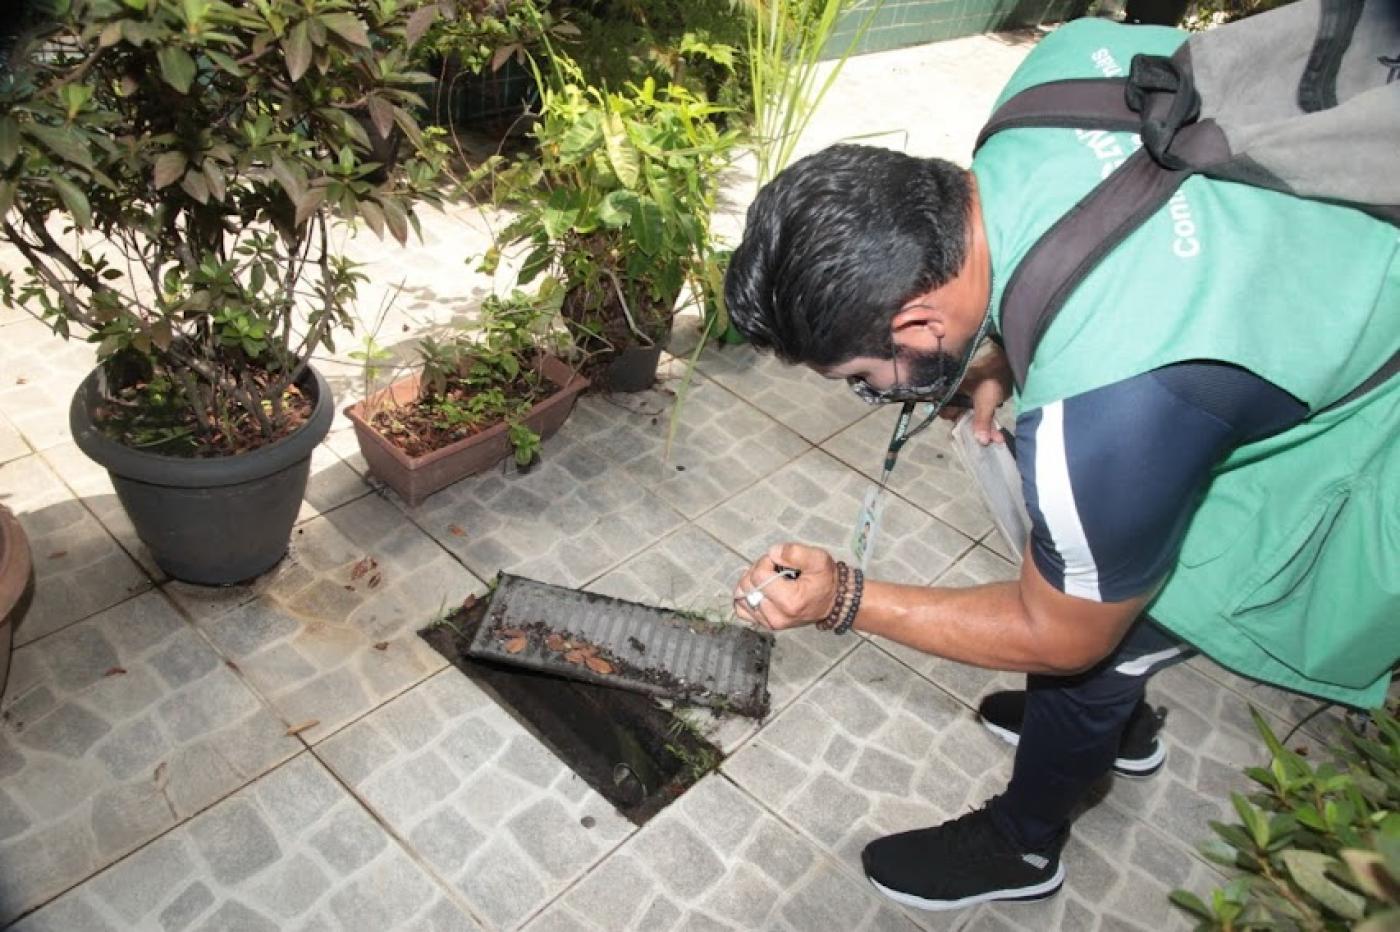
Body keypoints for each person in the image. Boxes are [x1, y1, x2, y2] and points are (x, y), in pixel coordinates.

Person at [723, 17, 1400, 913]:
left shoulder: (1108, 420)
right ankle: (1104, 733)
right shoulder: (1055, 74)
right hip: (1312, 284)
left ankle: (1025, 844)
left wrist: (846, 595)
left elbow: (1061, 630)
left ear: (920, 326)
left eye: (864, 379)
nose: (878, 394)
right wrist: (1003, 351)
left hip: (1363, 418)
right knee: (1095, 587)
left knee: (1096, 650)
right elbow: (1111, 210)